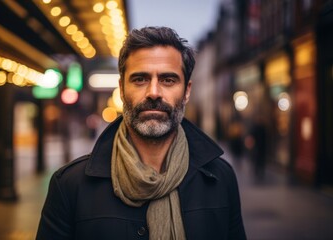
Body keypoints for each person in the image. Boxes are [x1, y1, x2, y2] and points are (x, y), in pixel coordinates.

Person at [36, 26, 246, 240]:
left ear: (187, 92)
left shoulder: (220, 179)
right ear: (122, 88)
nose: (154, 92)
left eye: (168, 80)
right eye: (140, 79)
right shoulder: (70, 186)